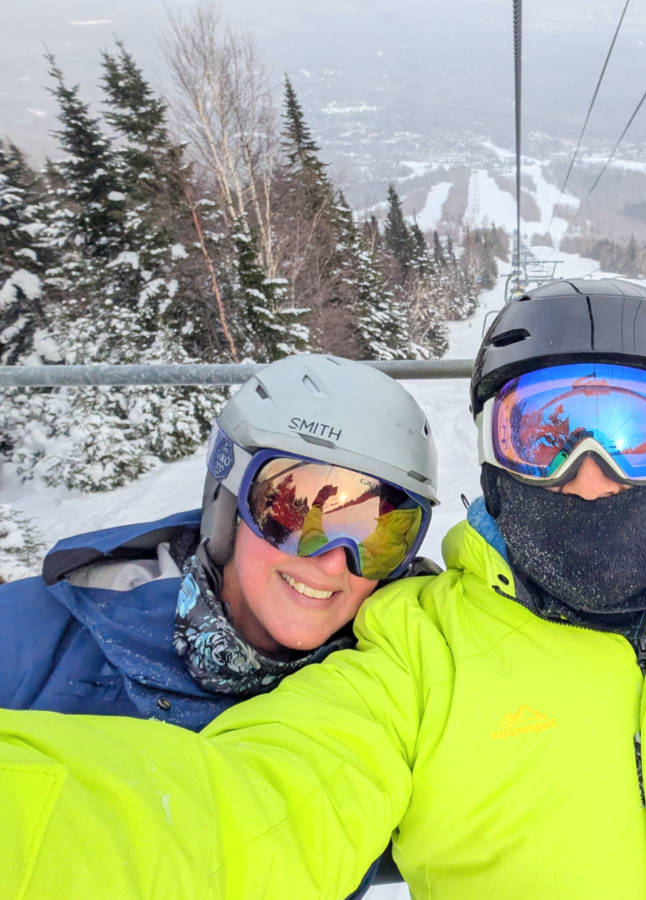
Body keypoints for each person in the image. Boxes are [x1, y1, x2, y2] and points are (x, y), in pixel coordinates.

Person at [0, 278, 646, 899]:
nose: (590, 473)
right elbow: (251, 811)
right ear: (492, 459)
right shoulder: (418, 648)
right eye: (543, 435)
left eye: (640, 432)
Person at [0, 353, 439, 899]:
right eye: (295, 513)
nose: (333, 564)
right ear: (226, 503)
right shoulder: (37, 636)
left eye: (378, 537)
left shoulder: (393, 691)